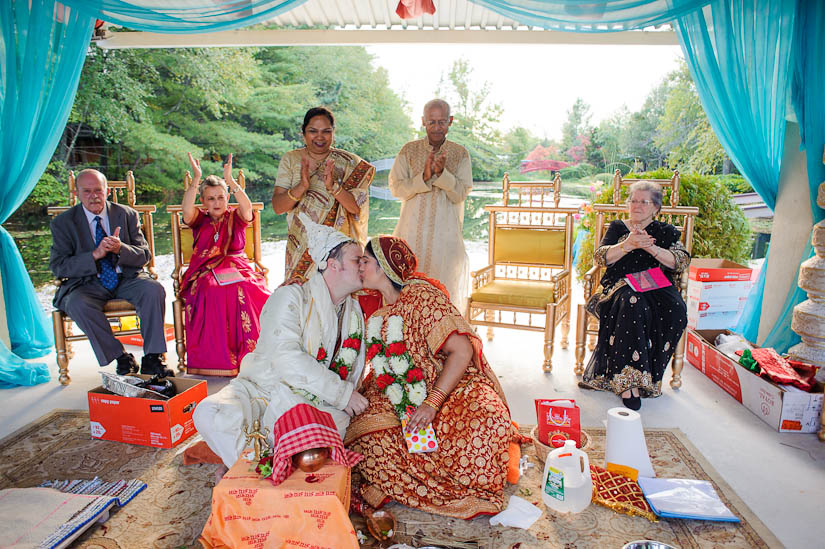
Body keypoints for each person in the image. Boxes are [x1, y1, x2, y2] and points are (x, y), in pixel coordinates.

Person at [345, 235, 518, 519]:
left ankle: (427, 482)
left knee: (488, 420)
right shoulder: (373, 308)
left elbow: (461, 351)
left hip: (450, 385)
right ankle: (409, 480)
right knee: (368, 439)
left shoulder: (422, 296)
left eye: (365, 261)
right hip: (393, 392)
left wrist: (431, 403)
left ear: (385, 267)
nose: (360, 267)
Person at [193, 214, 368, 470]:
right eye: (357, 260)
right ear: (333, 265)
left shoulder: (354, 311)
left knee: (340, 430)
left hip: (312, 402)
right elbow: (287, 358)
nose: (363, 266)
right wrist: (343, 394)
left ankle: (253, 462)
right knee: (210, 413)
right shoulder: (291, 297)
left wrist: (344, 397)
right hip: (262, 390)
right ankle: (253, 470)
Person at [49, 169, 171, 376]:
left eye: (98, 190)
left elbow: (144, 256)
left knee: (154, 290)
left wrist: (120, 248)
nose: (93, 196)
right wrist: (94, 255)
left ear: (107, 190)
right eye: (86, 191)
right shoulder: (63, 223)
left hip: (127, 278)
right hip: (87, 283)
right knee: (76, 303)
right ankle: (121, 357)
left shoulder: (126, 214)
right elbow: (59, 266)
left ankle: (153, 357)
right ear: (78, 193)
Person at [580, 181, 690, 410]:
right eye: (633, 200)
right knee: (632, 301)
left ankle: (649, 378)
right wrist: (628, 244)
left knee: (677, 309)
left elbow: (680, 261)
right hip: (621, 284)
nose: (637, 206)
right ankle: (628, 383)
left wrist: (651, 248)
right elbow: (601, 258)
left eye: (644, 201)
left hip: (657, 285)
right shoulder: (618, 227)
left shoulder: (666, 231)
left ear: (655, 208)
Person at [179, 153, 271, 376]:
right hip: (207, 270)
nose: (217, 202)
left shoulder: (236, 216)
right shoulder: (199, 219)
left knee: (248, 288)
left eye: (220, 197)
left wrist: (231, 182)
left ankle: (253, 357)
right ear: (204, 201)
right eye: (211, 198)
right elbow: (186, 209)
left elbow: (248, 207)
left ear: (227, 197)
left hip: (238, 267)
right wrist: (195, 180)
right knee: (212, 289)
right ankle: (220, 361)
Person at [272, 107, 375, 282]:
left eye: (326, 131)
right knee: (302, 301)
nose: (319, 137)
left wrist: (334, 187)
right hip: (301, 245)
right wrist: (302, 186)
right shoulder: (291, 159)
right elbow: (278, 207)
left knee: (338, 302)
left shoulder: (350, 163)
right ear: (303, 133)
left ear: (333, 133)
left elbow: (356, 209)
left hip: (339, 250)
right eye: (313, 131)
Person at [389, 99, 472, 312]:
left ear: (450, 121)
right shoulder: (409, 150)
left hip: (445, 240)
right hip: (411, 235)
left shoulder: (460, 153)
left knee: (444, 297)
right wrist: (424, 177)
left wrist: (442, 174)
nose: (437, 127)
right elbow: (396, 189)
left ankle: (444, 344)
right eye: (432, 122)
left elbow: (460, 194)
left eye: (442, 122)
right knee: (408, 296)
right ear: (423, 121)